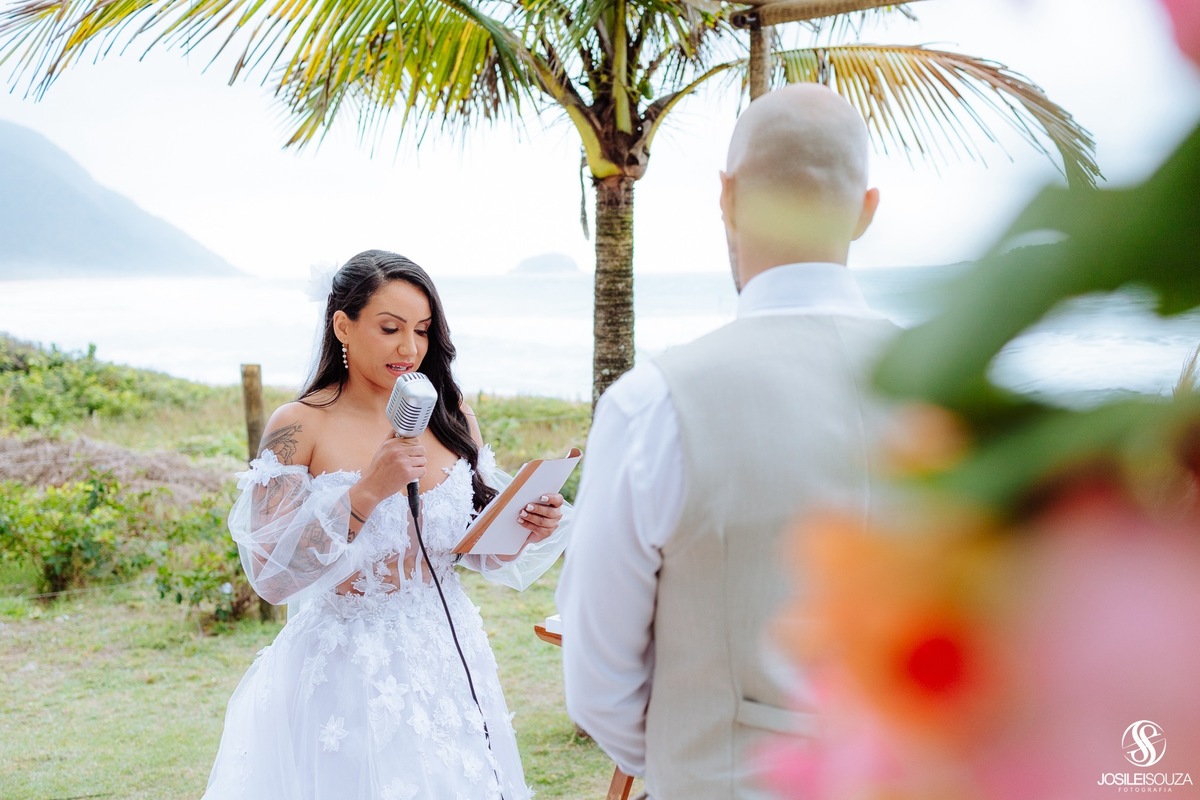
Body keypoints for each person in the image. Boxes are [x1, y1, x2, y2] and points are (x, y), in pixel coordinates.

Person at [555, 84, 899, 799]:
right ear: (867, 211)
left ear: (728, 197)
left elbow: (598, 682)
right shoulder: (962, 392)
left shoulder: (656, 403)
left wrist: (695, 761)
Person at [203, 249, 568, 800]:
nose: (410, 348)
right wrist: (367, 491)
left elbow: (470, 551)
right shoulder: (299, 426)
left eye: (422, 331)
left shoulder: (451, 415)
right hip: (348, 670)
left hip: (449, 655)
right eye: (391, 328)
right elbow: (271, 576)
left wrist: (527, 524)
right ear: (342, 325)